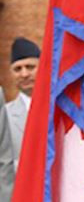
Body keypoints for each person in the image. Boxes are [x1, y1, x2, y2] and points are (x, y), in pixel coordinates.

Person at [7, 37, 39, 168]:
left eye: (30, 67)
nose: (24, 74)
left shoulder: (63, 108)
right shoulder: (4, 116)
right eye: (17, 69)